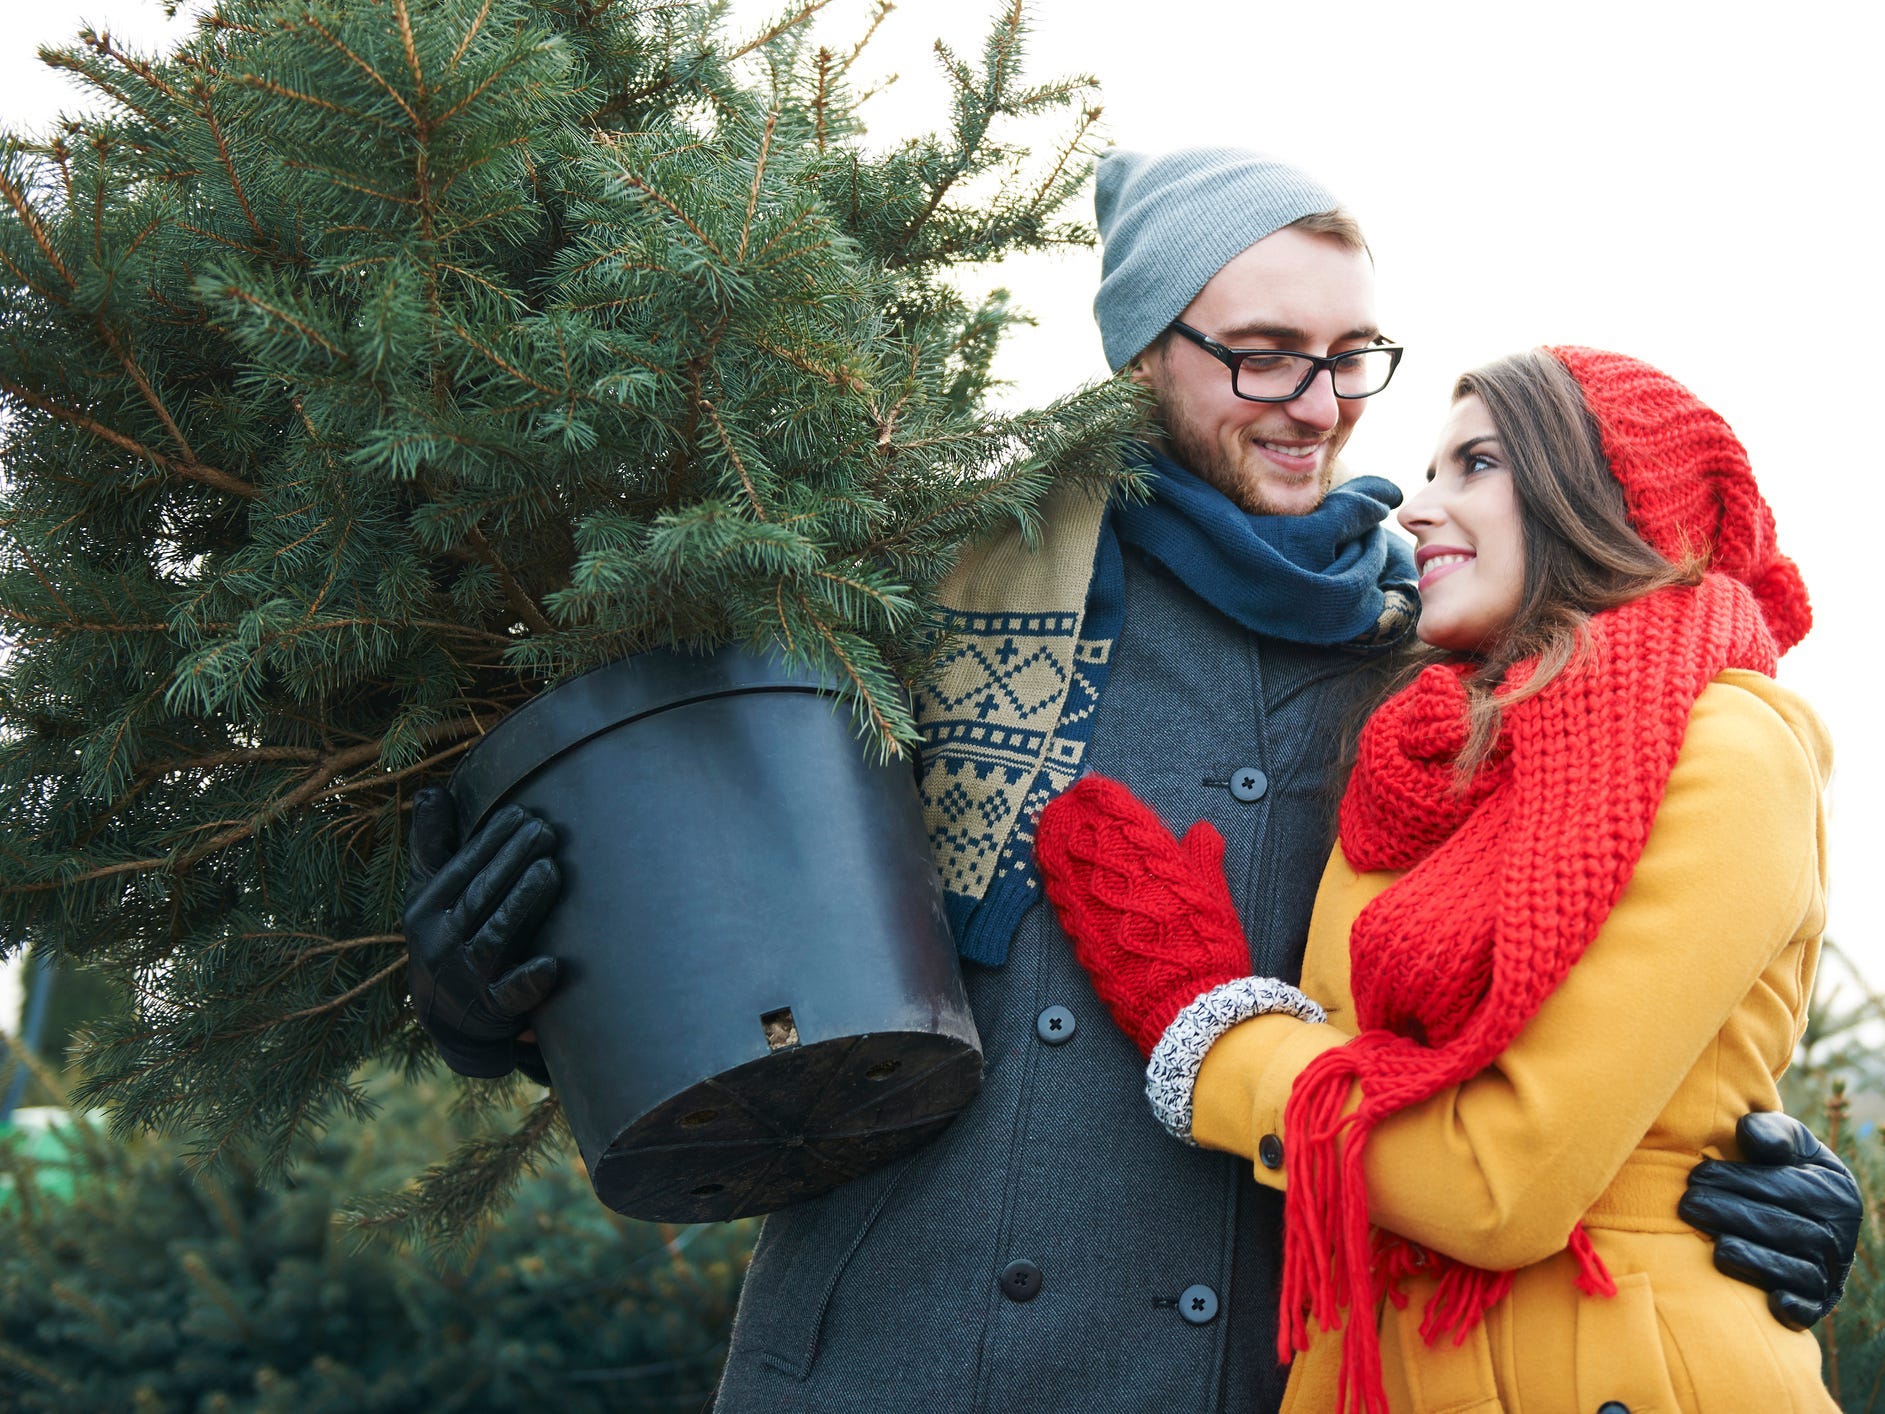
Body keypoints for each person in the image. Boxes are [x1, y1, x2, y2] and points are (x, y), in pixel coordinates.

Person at [401, 150, 1859, 1412]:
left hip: (1238, 1370)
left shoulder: (1435, 675)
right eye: (1262, 352)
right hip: (898, 1346)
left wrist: (1749, 1171)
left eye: (1352, 357)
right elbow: (713, 921)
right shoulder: (933, 587)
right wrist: (500, 1002)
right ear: (1140, 353)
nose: (1317, 404)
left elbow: (1587, 970)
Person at [1035, 346, 1843, 1411]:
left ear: (1599, 496)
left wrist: (1211, 1033)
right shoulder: (1416, 759)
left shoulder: (1724, 745)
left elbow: (1499, 1183)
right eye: (1427, 468)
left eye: (1476, 464)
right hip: (1376, 1363)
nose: (1415, 507)